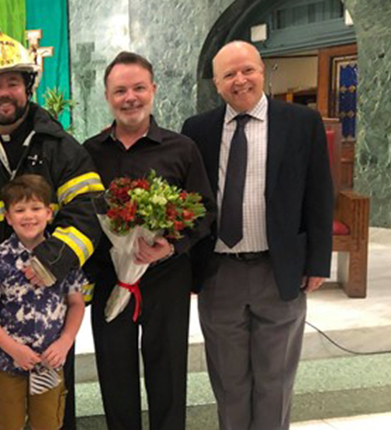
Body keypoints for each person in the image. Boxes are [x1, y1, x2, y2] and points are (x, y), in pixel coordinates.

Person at [181, 41, 333, 430]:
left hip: (278, 268)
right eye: (229, 74)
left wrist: (317, 262)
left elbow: (319, 193)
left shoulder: (301, 123)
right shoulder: (197, 130)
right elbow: (189, 201)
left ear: (263, 72)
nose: (240, 80)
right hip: (219, 272)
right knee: (229, 384)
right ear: (216, 84)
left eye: (247, 69)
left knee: (275, 380)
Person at [0, 32, 103, 430]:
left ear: (28, 87)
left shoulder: (62, 148)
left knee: (52, 408)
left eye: (12, 82)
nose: (3, 93)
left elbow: (88, 211)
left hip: (51, 309)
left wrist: (51, 261)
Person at [82, 51, 215, 430]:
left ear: (153, 90)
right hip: (111, 279)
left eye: (139, 88)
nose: (130, 97)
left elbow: (205, 210)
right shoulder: (88, 153)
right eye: (120, 90)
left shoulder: (181, 148)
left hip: (166, 277)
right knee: (114, 373)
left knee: (168, 374)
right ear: (107, 96)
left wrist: (172, 245)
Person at [0, 174, 86, 430]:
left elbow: (76, 303)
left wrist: (66, 341)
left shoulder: (64, 256)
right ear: (7, 216)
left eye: (36, 208)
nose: (29, 216)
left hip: (50, 360)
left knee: (48, 422)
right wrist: (13, 349)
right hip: (7, 362)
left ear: (49, 212)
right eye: (20, 210)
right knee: (7, 422)